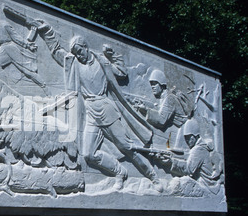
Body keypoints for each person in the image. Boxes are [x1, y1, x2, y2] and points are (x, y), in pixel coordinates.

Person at [32, 20, 159, 190]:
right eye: (76, 53)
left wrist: (112, 54)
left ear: (86, 47)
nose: (79, 56)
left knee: (126, 147)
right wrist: (47, 31)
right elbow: (57, 52)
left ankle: (153, 176)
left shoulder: (102, 61)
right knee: (88, 154)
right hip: (91, 113)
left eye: (80, 52)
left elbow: (122, 72)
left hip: (108, 110)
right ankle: (119, 172)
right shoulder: (75, 62)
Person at [0, 6, 46, 89]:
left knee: (26, 70)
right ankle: (7, 88)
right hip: (3, 49)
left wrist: (27, 45)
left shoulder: (4, 23)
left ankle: (44, 86)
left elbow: (14, 36)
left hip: (11, 47)